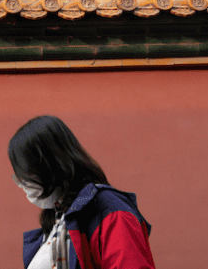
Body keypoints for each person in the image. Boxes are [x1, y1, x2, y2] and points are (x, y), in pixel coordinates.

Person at [8, 115, 155, 269]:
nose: (22, 184)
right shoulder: (57, 222)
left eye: (26, 175)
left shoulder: (108, 209)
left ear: (49, 165)